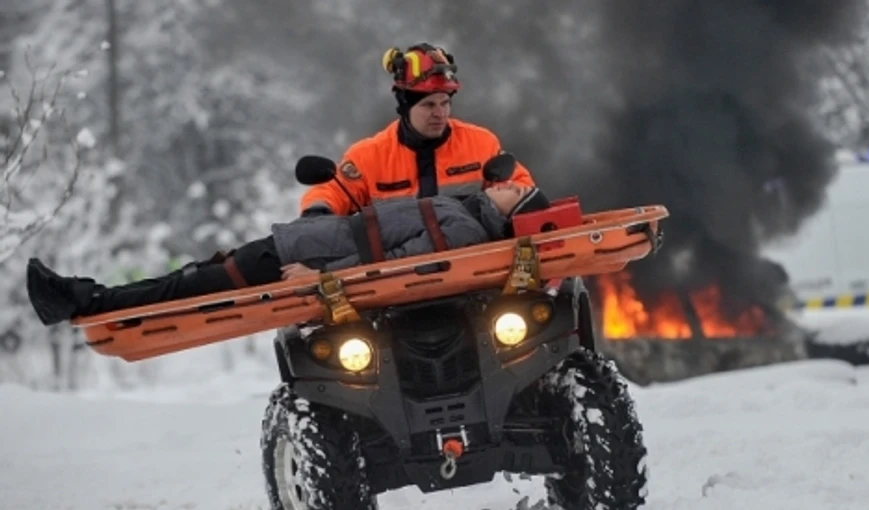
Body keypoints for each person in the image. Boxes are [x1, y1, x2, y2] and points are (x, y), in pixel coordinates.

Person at [27, 184, 551, 326]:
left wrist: (321, 275)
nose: (506, 185)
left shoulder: (462, 228)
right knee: (191, 281)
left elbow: (397, 265)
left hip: (299, 261)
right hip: (299, 247)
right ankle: (82, 296)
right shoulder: (462, 211)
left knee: (184, 289)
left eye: (513, 191)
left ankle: (81, 300)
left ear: (513, 211)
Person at [299, 43, 536, 217]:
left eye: (445, 102)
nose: (440, 113)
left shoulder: (482, 144)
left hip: (472, 261)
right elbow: (331, 191)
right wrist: (317, 214)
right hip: (397, 269)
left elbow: (522, 188)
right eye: (429, 105)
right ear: (405, 106)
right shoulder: (368, 157)